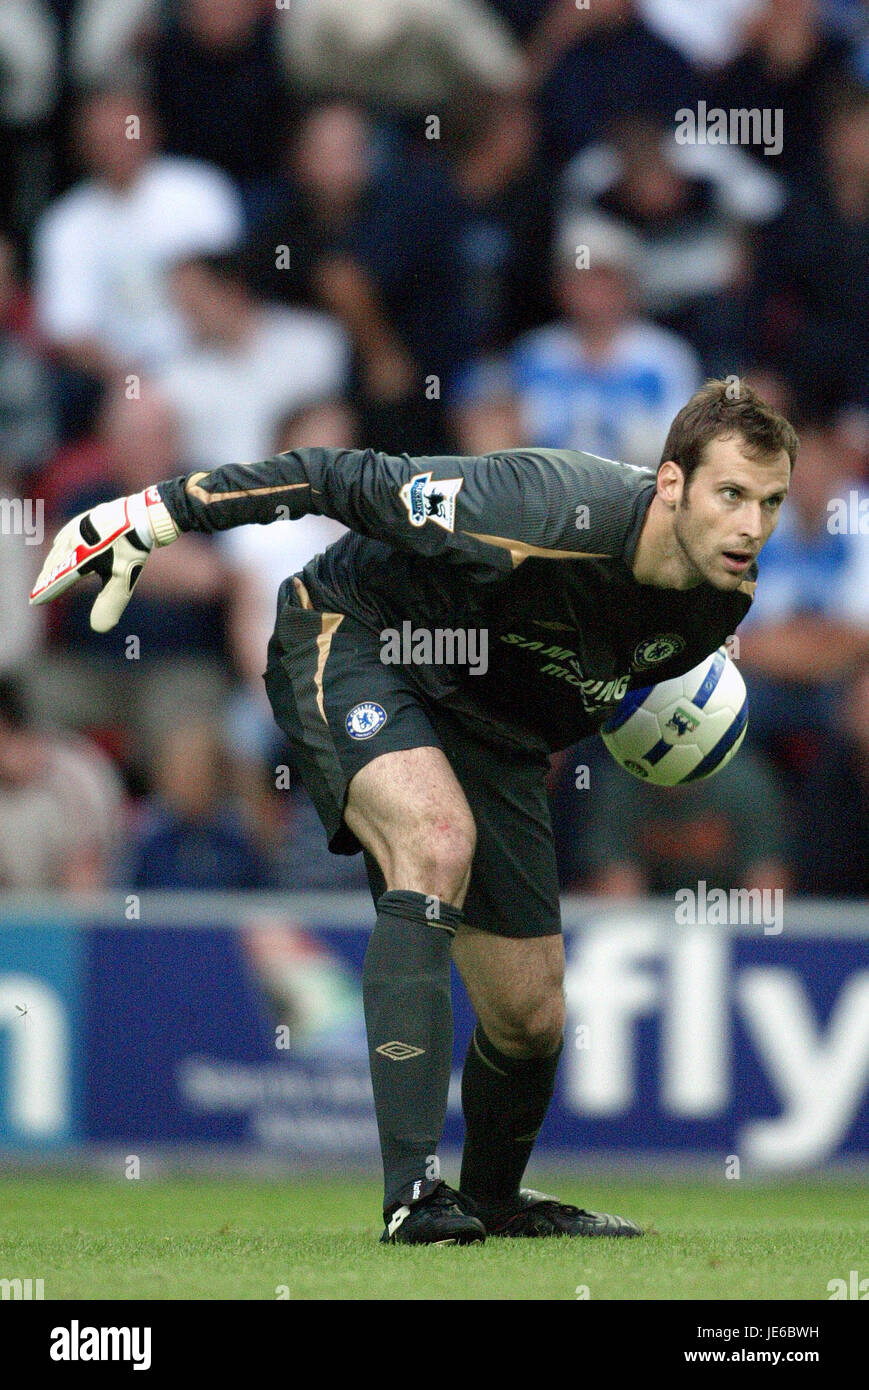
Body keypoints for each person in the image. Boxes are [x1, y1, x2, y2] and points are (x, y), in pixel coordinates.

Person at [31, 378, 797, 1244]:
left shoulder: (722, 599)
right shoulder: (537, 508)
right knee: (435, 842)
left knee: (532, 1013)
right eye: (729, 494)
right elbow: (332, 476)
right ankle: (411, 1199)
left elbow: (582, 673)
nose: (749, 525)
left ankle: (496, 1202)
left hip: (490, 723)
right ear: (670, 485)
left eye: (769, 502)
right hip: (359, 636)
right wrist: (158, 512)